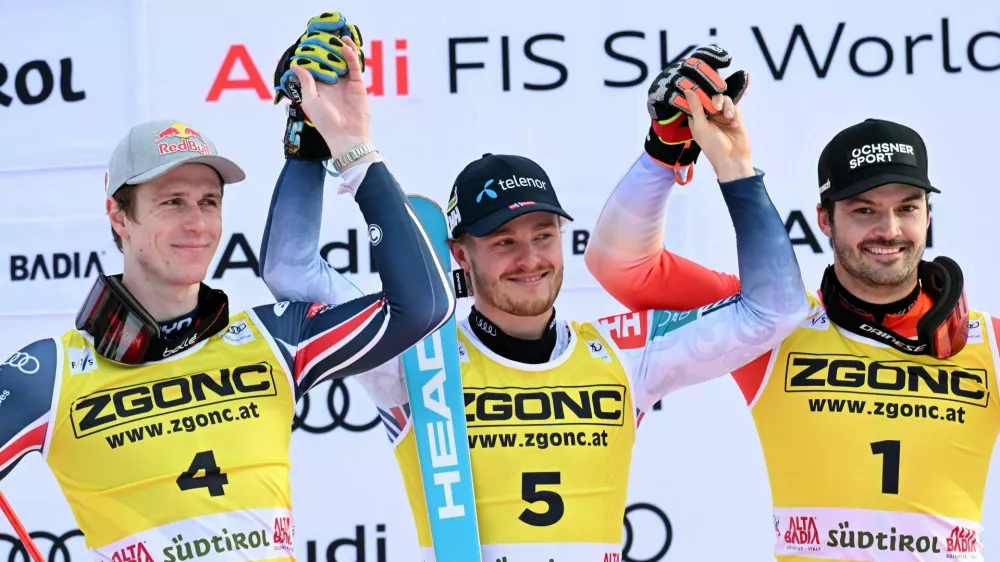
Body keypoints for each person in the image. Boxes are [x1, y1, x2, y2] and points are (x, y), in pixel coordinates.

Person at [261, 41, 810, 560]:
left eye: (543, 235)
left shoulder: (625, 354)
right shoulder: (413, 355)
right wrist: (311, 143)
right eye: (503, 242)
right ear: (460, 253)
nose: (529, 258)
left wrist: (735, 168)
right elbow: (291, 269)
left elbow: (775, 311)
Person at [0, 24, 453, 561]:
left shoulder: (276, 337)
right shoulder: (48, 376)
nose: (197, 223)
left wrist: (350, 147)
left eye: (209, 203)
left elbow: (421, 307)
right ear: (119, 216)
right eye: (172, 202)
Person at [585, 80, 1000, 559]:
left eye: (907, 208)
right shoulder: (773, 324)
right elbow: (622, 265)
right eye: (864, 210)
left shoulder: (987, 342)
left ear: (927, 215)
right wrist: (668, 152)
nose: (889, 230)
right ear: (825, 219)